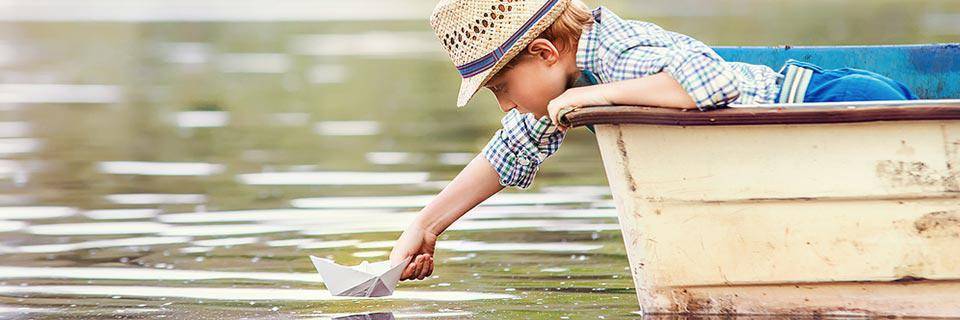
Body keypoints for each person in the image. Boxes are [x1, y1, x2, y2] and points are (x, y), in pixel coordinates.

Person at [389, 0, 917, 281]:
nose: (504, 105)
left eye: (502, 87)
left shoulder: (618, 51)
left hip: (832, 101)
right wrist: (426, 225)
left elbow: (715, 84)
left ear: (547, 52)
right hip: (800, 145)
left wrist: (595, 100)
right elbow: (508, 152)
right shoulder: (566, 82)